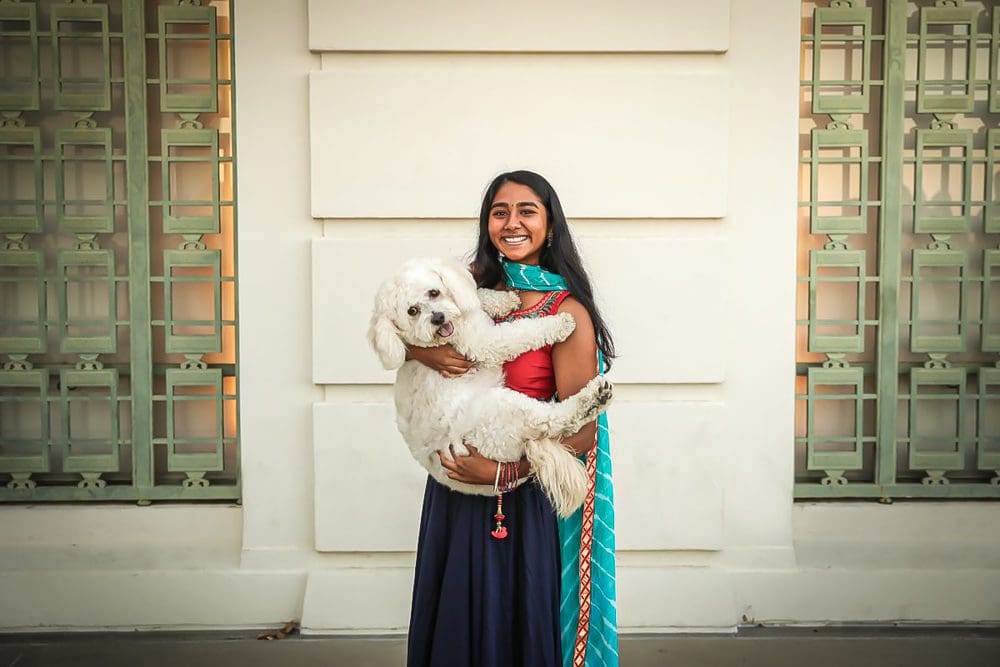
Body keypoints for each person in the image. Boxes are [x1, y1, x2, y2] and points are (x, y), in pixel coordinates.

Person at [405, 171, 618, 667]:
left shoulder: (566, 313)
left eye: (527, 211)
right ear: (487, 223)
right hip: (452, 487)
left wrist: (503, 473)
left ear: (550, 224)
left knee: (509, 628)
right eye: (500, 212)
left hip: (518, 502)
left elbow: (581, 432)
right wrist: (423, 352)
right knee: (454, 628)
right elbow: (397, 319)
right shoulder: (463, 291)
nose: (512, 223)